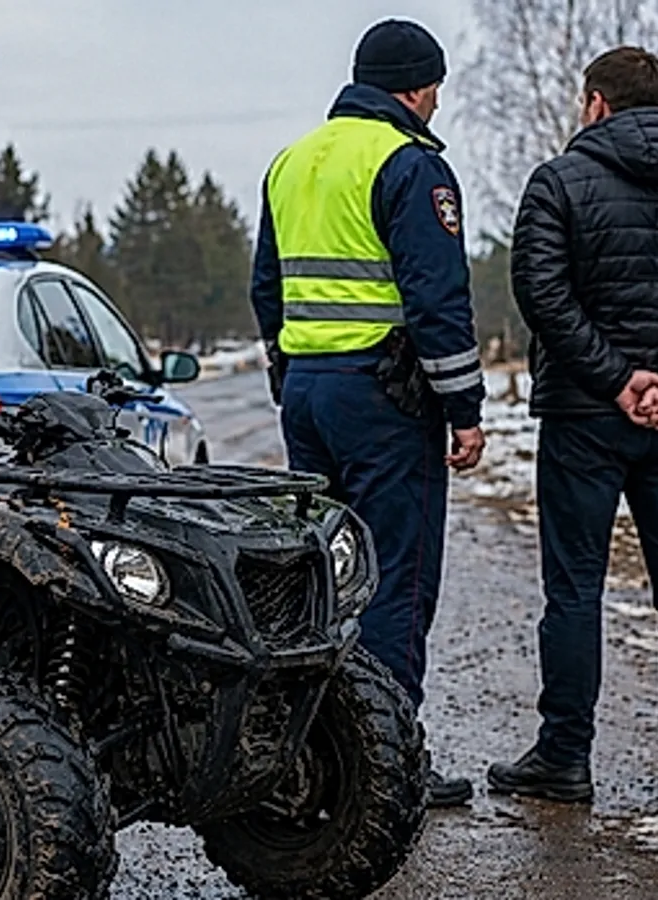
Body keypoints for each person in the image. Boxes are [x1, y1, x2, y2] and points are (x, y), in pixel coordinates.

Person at [487, 47, 658, 802]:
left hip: (585, 416)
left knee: (575, 588)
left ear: (596, 104)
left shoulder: (558, 183)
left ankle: (565, 758)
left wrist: (618, 380)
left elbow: (541, 293)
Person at [250, 18, 486, 809]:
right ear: (418, 88)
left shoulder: (291, 162)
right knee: (393, 577)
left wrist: (291, 375)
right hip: (383, 401)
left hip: (311, 393)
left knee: (323, 571)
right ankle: (386, 771)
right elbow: (437, 300)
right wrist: (464, 409)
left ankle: (313, 754)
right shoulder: (410, 165)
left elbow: (267, 290)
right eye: (436, 91)